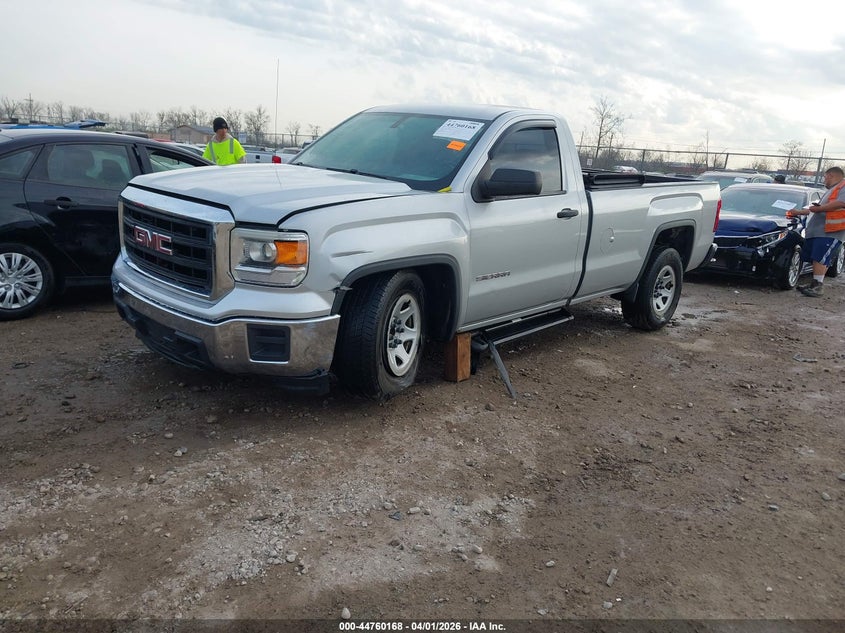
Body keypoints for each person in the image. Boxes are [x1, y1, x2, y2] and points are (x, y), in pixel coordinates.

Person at [786, 166, 845, 297]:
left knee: (820, 257)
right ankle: (815, 284)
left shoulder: (843, 186)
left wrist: (819, 208)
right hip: (821, 230)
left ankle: (818, 287)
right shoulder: (832, 190)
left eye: (825, 177)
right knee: (818, 257)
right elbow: (815, 209)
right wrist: (799, 212)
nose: (824, 179)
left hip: (831, 231)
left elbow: (841, 203)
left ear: (831, 175)